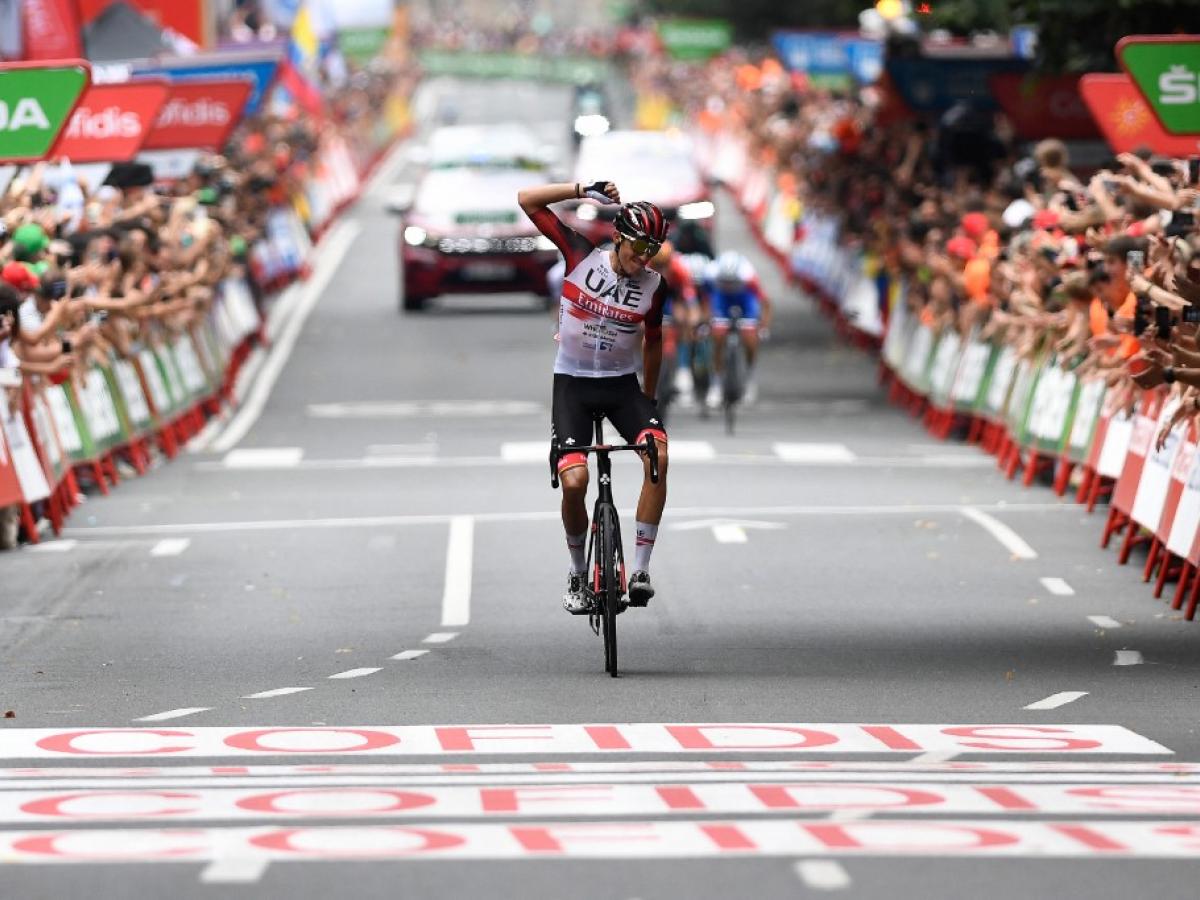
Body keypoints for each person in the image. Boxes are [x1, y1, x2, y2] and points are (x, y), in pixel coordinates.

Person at [517, 180, 670, 614]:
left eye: (652, 250)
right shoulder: (581, 255)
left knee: (657, 454)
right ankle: (577, 574)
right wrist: (583, 190)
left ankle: (639, 570)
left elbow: (653, 342)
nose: (643, 258)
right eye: (638, 246)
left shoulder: (655, 287)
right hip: (573, 383)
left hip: (621, 385)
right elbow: (527, 200)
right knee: (576, 482)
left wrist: (650, 398)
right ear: (618, 236)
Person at [701, 250, 771, 407]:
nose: (728, 285)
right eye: (724, 281)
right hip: (721, 300)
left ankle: (750, 380)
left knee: (750, 337)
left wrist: (763, 326)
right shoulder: (710, 273)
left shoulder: (749, 276)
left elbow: (766, 303)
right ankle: (716, 384)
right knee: (717, 336)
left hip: (745, 299)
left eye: (731, 281)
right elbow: (705, 298)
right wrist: (706, 321)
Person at [649, 240, 701, 405]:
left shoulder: (680, 269)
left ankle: (682, 368)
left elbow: (690, 300)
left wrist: (693, 320)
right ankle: (637, 365)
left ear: (671, 261)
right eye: (658, 265)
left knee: (683, 319)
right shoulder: (644, 267)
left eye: (665, 265)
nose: (662, 269)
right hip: (651, 294)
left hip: (673, 296)